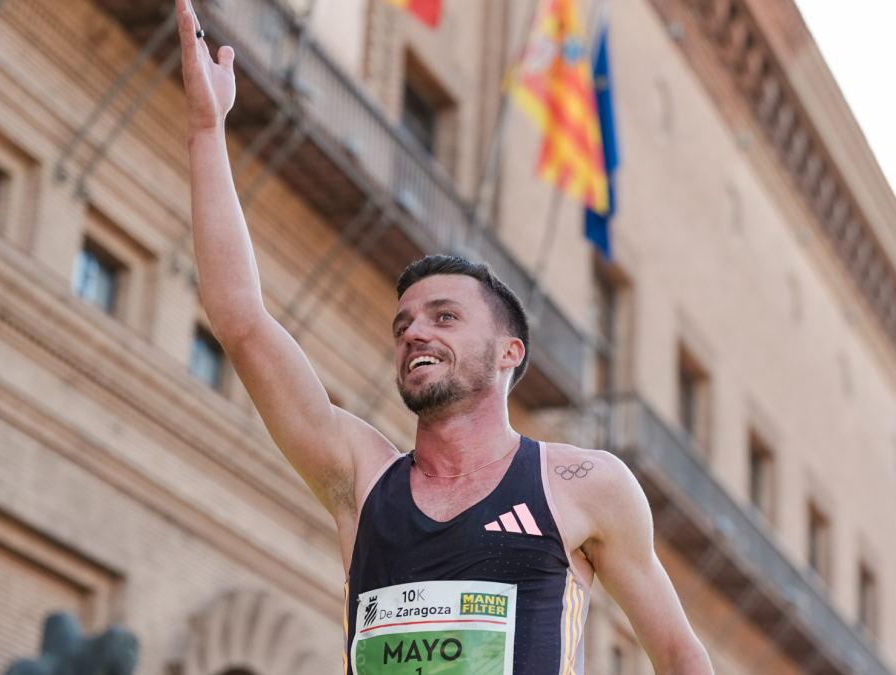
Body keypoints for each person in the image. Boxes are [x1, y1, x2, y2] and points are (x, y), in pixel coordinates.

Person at [175, 1, 712, 673]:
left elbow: (680, 655)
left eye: (445, 316)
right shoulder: (361, 478)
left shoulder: (583, 484)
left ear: (510, 352)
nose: (414, 331)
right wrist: (205, 129)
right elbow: (240, 320)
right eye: (403, 322)